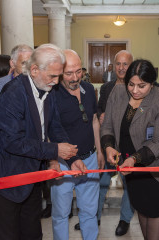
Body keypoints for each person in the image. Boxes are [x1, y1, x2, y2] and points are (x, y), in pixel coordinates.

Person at [0, 44, 78, 240]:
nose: (56, 81)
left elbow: (55, 126)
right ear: (34, 70)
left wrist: (71, 157)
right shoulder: (13, 93)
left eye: (59, 76)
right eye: (52, 76)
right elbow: (12, 141)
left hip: (32, 177)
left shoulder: (48, 89)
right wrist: (54, 150)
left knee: (33, 234)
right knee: (9, 235)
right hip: (6, 180)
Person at [101, 59, 159, 240]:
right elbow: (107, 126)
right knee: (142, 210)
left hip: (155, 170)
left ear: (152, 83)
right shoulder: (118, 93)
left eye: (141, 86)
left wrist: (134, 159)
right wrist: (109, 146)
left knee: (156, 212)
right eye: (131, 84)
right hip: (133, 173)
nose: (135, 90)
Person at [51, 49, 103, 240]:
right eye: (69, 73)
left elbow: (94, 120)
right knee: (61, 213)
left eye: (78, 71)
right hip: (63, 163)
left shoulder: (89, 89)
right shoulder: (52, 94)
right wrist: (52, 160)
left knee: (90, 211)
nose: (75, 77)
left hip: (89, 158)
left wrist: (99, 152)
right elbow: (49, 130)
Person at [89, 50, 135, 237]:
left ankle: (125, 220)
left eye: (126, 64)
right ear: (113, 65)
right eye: (118, 64)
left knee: (129, 186)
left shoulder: (135, 86)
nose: (122, 68)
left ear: (132, 66)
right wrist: (101, 116)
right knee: (100, 183)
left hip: (128, 145)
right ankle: (94, 217)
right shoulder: (107, 88)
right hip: (108, 143)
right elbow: (100, 109)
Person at [0, 44, 33, 167]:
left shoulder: (41, 87)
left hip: (33, 156)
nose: (28, 68)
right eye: (24, 63)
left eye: (31, 63)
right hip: (4, 157)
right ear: (12, 63)